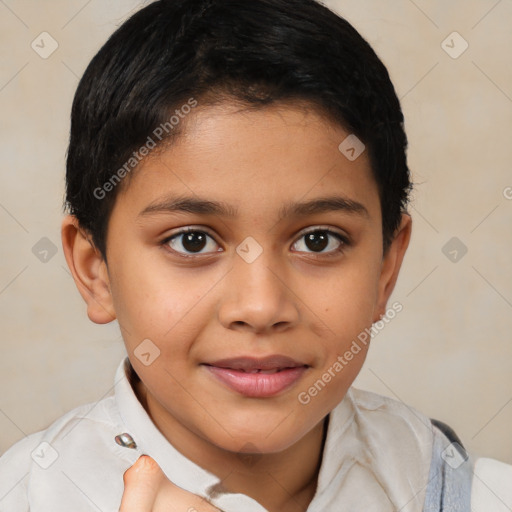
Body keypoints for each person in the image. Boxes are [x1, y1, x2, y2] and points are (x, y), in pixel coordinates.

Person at [0, 0, 510, 510]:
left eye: (318, 240)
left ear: (385, 268)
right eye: (192, 240)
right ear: (97, 272)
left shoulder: (473, 494)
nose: (262, 307)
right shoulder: (24, 494)